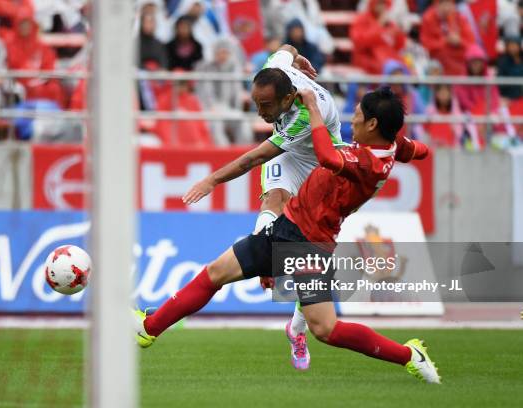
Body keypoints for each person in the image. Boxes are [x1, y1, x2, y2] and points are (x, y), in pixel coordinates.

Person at [134, 87, 440, 385]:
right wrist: (408, 146)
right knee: (215, 273)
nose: (352, 121)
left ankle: (409, 355)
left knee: (326, 330)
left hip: (310, 243)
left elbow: (327, 157)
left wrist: (314, 109)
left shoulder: (369, 163)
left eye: (358, 116)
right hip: (286, 227)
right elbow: (421, 151)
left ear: (373, 124)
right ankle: (149, 328)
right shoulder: (392, 145)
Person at [182, 44, 345, 370]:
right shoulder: (277, 68)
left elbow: (254, 157)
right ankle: (263, 252)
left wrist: (212, 180)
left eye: (266, 105)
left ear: (287, 99)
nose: (259, 111)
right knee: (274, 197)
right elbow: (285, 47)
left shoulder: (302, 115)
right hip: (289, 157)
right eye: (255, 102)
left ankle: (297, 328)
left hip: (323, 163)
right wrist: (296, 57)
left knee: (315, 252)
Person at [195, 39, 253, 145]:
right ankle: (223, 152)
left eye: (225, 52)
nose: (222, 55)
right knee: (215, 124)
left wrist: (237, 108)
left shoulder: (233, 68)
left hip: (228, 109)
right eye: (220, 52)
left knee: (243, 121)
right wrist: (211, 108)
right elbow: (204, 94)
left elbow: (236, 93)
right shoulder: (205, 68)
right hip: (210, 109)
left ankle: (243, 153)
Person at [350, 0, 407, 74]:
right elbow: (360, 43)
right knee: (390, 69)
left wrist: (398, 34)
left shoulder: (388, 23)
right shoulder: (361, 19)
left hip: (388, 59)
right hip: (367, 58)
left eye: (383, 3)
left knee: (403, 67)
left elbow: (399, 46)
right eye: (379, 3)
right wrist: (379, 25)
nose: (381, 6)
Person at [420, 0, 474, 76]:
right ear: (437, 5)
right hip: (439, 58)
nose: (446, 8)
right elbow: (426, 44)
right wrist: (446, 41)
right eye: (444, 4)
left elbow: (471, 43)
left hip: (460, 53)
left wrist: (459, 41)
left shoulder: (459, 17)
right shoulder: (428, 18)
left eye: (449, 4)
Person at [497, 36, 523, 101]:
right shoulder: (502, 61)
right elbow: (500, 82)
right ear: (507, 47)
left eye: (514, 45)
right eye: (510, 46)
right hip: (508, 97)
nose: (512, 48)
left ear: (519, 46)